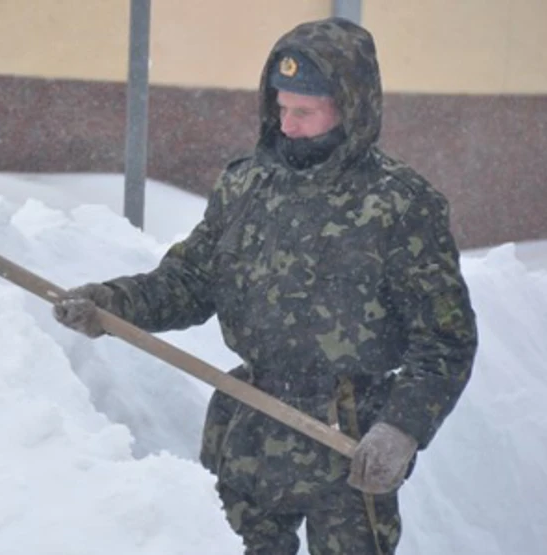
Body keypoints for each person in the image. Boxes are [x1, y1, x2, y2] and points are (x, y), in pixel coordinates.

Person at [53, 16, 477, 555]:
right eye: (281, 108)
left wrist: (401, 429)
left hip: (347, 439)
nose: (288, 125)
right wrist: (111, 304)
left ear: (351, 109)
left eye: (305, 112)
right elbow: (190, 280)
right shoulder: (246, 185)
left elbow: (445, 341)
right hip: (249, 422)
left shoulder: (399, 205)